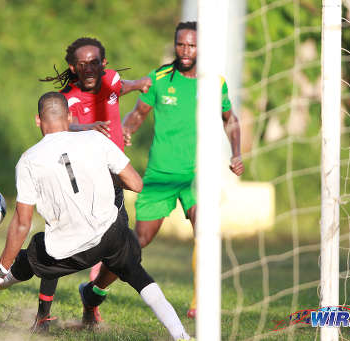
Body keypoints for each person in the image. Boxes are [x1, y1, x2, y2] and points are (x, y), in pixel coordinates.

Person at [0, 92, 192, 341]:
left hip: (70, 250)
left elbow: (22, 223)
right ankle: (182, 336)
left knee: (34, 252)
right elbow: (136, 183)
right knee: (136, 272)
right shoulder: (95, 139)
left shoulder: (28, 161)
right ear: (69, 116)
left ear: (38, 120)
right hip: (111, 234)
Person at [91, 21, 245, 319]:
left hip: (197, 176)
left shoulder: (215, 82)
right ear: (175, 44)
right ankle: (95, 291)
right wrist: (125, 133)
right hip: (161, 175)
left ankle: (200, 303)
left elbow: (231, 118)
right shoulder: (160, 78)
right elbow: (137, 114)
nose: (185, 51)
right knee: (138, 242)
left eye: (192, 45)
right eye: (181, 44)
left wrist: (236, 153)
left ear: (202, 48)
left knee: (205, 230)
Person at [35, 37, 152, 329]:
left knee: (122, 247)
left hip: (111, 180)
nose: (89, 68)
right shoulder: (67, 97)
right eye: (83, 64)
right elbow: (58, 124)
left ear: (104, 65)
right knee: (59, 242)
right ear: (73, 68)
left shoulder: (111, 80)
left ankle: (92, 296)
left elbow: (118, 88)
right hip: (77, 178)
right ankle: (43, 316)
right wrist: (88, 127)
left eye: (95, 62)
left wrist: (139, 84)